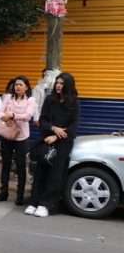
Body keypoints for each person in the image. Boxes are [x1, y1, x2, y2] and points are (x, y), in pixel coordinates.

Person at [26, 73, 80, 218]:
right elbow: (43, 120)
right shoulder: (50, 99)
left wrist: (57, 136)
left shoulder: (74, 102)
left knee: (55, 174)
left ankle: (46, 204)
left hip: (63, 142)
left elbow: (74, 125)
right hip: (47, 138)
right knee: (41, 171)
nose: (58, 85)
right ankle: (34, 202)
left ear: (68, 85)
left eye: (62, 83)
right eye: (57, 82)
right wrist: (53, 129)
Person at [0, 76, 36, 204]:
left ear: (26, 87)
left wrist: (13, 115)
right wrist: (5, 117)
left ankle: (20, 195)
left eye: (21, 85)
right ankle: (3, 192)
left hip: (22, 137)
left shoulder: (30, 100)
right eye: (16, 84)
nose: (17, 87)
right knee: (6, 163)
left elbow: (28, 116)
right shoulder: (8, 97)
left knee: (20, 165)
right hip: (7, 134)